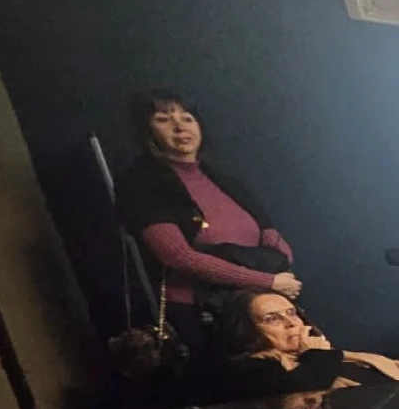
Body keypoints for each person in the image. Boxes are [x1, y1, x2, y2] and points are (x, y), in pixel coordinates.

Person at [115, 90, 301, 393]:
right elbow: (178, 257)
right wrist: (267, 281)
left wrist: (279, 273)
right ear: (146, 130)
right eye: (163, 119)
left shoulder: (224, 180)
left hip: (256, 309)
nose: (179, 126)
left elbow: (272, 236)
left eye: (187, 118)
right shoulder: (141, 184)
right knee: (228, 399)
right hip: (200, 318)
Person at [220, 291, 399, 399]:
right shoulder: (250, 369)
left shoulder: (330, 355)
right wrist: (316, 353)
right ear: (247, 329)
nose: (291, 323)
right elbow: (301, 390)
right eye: (273, 319)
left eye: (292, 313)